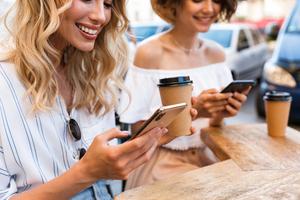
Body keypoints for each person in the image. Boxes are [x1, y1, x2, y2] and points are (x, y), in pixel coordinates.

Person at [0, 0, 168, 199]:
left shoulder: (93, 69)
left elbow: (106, 164)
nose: (101, 16)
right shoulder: (5, 80)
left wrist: (160, 136)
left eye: (107, 4)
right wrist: (87, 172)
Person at [118, 0, 250, 189]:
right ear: (174, 3)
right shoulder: (149, 53)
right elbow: (136, 133)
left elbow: (215, 126)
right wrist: (195, 111)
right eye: (197, 0)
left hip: (209, 156)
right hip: (160, 163)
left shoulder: (217, 55)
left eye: (216, 1)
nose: (209, 8)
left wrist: (220, 114)